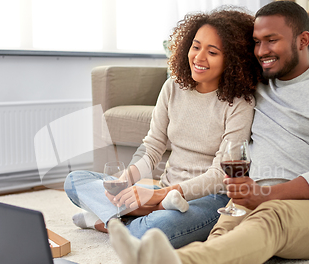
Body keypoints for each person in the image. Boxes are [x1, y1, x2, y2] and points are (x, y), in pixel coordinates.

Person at [108, 0, 309, 264]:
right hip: (252, 197)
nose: (261, 51)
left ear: (303, 40)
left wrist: (266, 195)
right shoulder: (256, 85)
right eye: (256, 42)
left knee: (271, 216)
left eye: (271, 40)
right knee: (223, 236)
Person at [64, 6, 262, 248]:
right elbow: (153, 146)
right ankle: (138, 212)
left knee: (158, 230)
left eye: (212, 52)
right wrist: (128, 180)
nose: (199, 58)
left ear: (233, 59)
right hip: (167, 191)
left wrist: (156, 196)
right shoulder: (173, 87)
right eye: (196, 46)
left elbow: (219, 176)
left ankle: (110, 220)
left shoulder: (240, 103)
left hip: (209, 198)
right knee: (75, 181)